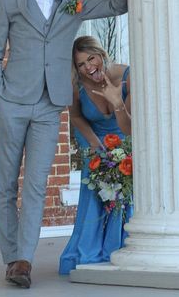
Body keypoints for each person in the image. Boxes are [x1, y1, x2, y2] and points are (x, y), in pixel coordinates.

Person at [0, 0, 129, 288]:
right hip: (13, 101)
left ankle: (23, 262)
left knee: (36, 183)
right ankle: (10, 256)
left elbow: (115, 6)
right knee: (6, 184)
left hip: (51, 105)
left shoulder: (71, 1)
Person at [59, 35, 132, 275]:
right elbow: (77, 117)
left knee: (124, 189)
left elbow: (130, 128)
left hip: (126, 141)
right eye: (81, 64)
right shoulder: (77, 85)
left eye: (91, 59)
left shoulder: (127, 77)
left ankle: (120, 246)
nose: (88, 67)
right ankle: (92, 249)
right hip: (95, 141)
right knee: (95, 185)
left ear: (101, 54)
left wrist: (117, 103)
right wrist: (97, 148)